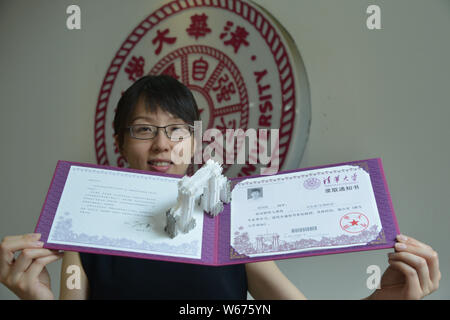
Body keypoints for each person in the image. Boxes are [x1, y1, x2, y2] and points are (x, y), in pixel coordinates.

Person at [0, 75, 441, 300]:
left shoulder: (229, 222)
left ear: (194, 141)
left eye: (176, 131)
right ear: (119, 142)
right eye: (143, 129)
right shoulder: (86, 226)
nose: (162, 145)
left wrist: (381, 299)